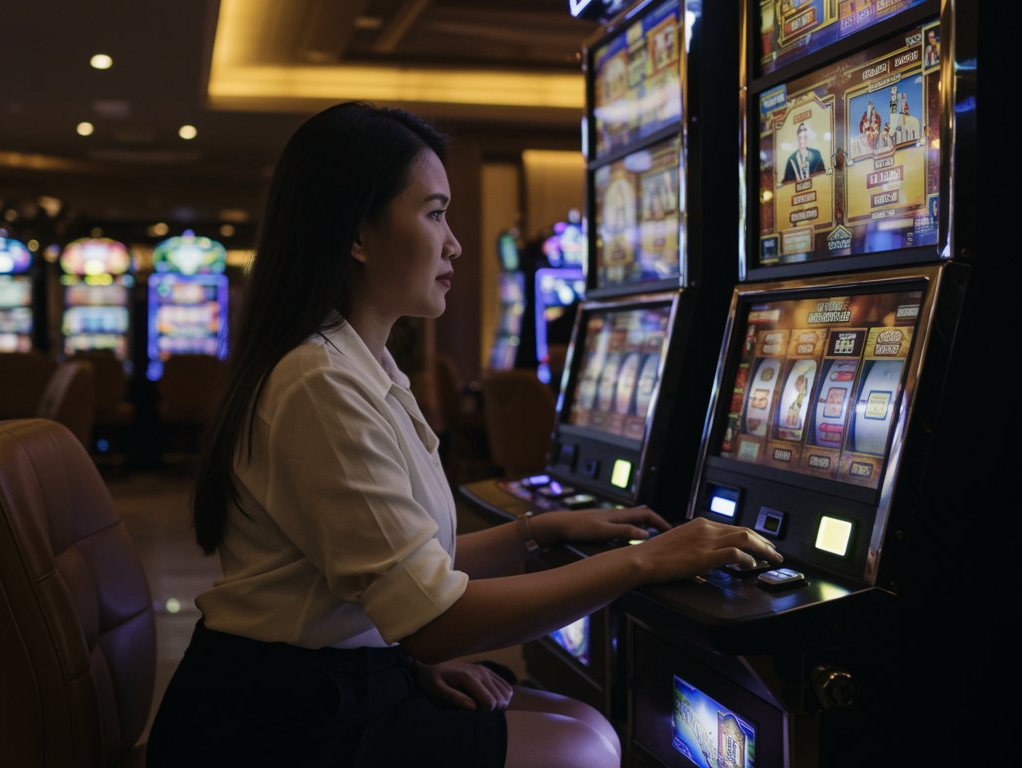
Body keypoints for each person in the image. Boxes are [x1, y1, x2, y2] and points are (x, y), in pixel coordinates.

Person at [146, 101, 781, 768]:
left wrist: (539, 534)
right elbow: (434, 620)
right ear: (358, 234)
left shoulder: (355, 361)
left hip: (323, 678)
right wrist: (643, 561)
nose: (453, 243)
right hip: (274, 724)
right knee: (583, 748)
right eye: (435, 213)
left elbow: (398, 571)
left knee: (580, 722)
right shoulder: (317, 382)